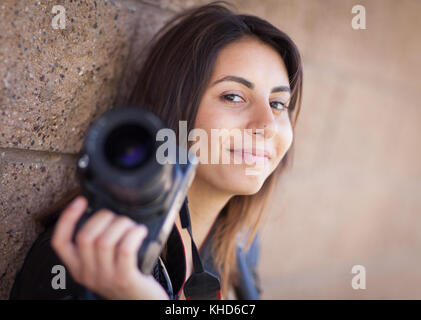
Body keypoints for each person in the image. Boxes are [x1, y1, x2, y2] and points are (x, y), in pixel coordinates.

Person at [10, 1, 303, 300]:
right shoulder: (89, 257)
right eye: (233, 96)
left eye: (278, 104)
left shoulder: (240, 245)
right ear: (176, 110)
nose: (267, 124)